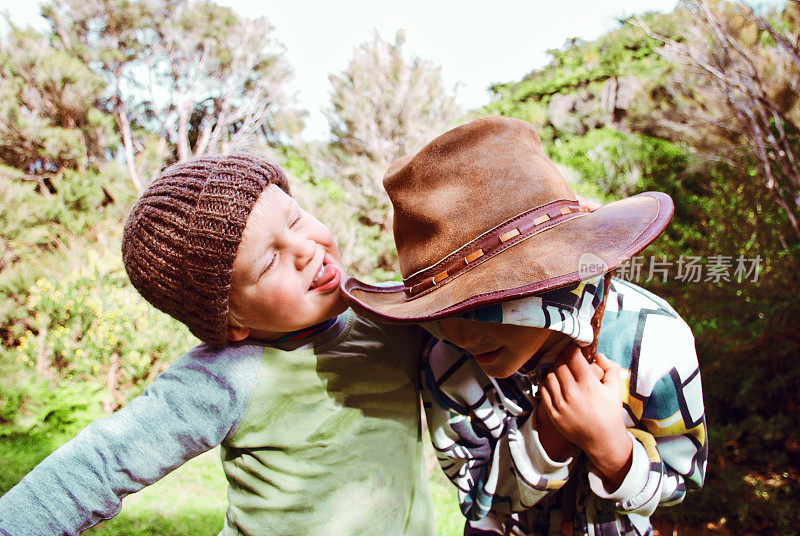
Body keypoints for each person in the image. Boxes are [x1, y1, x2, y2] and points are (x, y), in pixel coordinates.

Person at [0, 154, 435, 536]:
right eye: (268, 262)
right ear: (231, 323)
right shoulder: (225, 377)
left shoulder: (395, 315)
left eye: (296, 218)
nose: (304, 248)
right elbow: (101, 463)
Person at [342, 117, 708, 535]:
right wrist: (547, 437)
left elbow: (682, 478)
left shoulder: (655, 340)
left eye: (488, 303)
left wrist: (613, 449)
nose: (462, 334)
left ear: (556, 272)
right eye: (443, 311)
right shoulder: (447, 364)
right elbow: (476, 496)